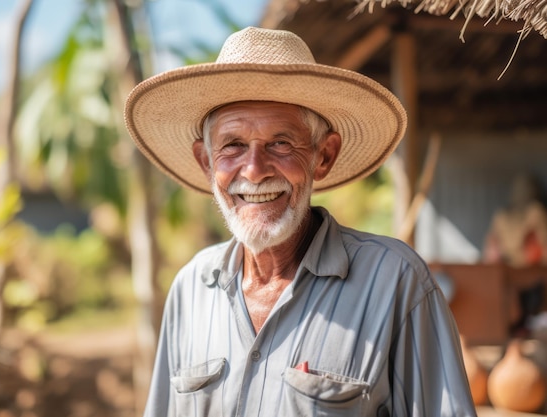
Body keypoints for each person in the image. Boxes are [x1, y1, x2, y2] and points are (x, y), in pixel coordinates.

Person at [124, 27, 476, 416]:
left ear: (323, 157)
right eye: (233, 145)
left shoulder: (396, 284)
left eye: (281, 143)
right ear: (207, 163)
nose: (254, 171)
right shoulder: (190, 289)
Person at [483, 173, 547, 267]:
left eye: (525, 190)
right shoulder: (501, 217)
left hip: (531, 268)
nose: (521, 193)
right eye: (519, 190)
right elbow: (490, 254)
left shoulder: (535, 213)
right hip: (506, 268)